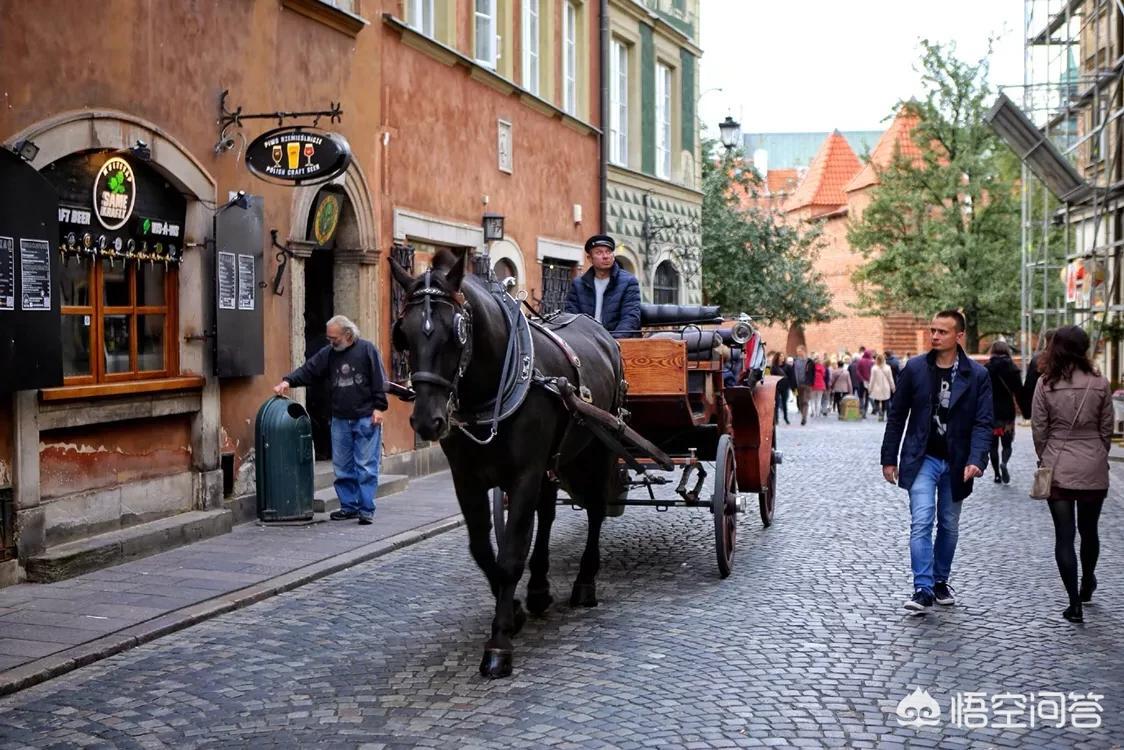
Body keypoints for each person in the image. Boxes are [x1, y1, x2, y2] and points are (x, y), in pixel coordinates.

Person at [881, 310, 992, 615]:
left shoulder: (977, 375)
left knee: (949, 525)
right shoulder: (915, 368)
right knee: (921, 521)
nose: (935, 336)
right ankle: (923, 588)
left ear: (959, 337)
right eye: (932, 330)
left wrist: (976, 459)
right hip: (922, 458)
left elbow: (983, 423)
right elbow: (897, 416)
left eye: (942, 332)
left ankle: (940, 580)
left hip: (957, 462)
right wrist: (889, 458)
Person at [1031, 325, 1113, 624]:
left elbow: (1040, 428)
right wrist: (1096, 452)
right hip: (1092, 463)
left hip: (1059, 463)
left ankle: (1073, 603)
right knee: (1089, 530)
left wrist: (1046, 455)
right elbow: (1107, 429)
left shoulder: (1046, 384)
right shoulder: (1100, 382)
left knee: (1064, 536)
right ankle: (1088, 579)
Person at [274, 315, 388, 525]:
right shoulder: (329, 354)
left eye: (334, 338)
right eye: (329, 338)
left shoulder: (367, 350)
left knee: (365, 466)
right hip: (340, 419)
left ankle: (366, 509)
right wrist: (287, 381)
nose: (331, 341)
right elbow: (309, 370)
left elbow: (379, 380)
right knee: (343, 467)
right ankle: (348, 507)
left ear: (348, 334)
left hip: (365, 417)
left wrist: (379, 408)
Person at [563, 234, 641, 338]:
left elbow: (630, 318)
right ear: (590, 258)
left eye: (608, 252)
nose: (605, 256)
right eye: (599, 252)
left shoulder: (628, 281)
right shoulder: (578, 284)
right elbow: (571, 317)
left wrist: (613, 342)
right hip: (587, 342)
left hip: (619, 342)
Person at [985, 340, 1024, 484]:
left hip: (991, 411)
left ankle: (996, 474)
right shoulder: (1013, 368)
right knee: (1007, 444)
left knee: (992, 445)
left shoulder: (987, 368)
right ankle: (1004, 463)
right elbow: (1019, 391)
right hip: (1007, 411)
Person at [1020, 328, 1055, 418]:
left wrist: (1027, 412)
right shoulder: (1066, 359)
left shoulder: (1038, 359)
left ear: (1046, 340)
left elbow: (1029, 386)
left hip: (1042, 403)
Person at [868, 353, 895, 421]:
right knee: (885, 402)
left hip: (877, 387)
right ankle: (885, 414)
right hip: (886, 387)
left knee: (876, 401)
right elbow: (890, 379)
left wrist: (870, 388)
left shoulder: (874, 368)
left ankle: (880, 414)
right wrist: (893, 388)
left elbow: (872, 380)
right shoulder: (888, 367)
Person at [793, 346, 815, 425]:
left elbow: (813, 373)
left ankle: (804, 418)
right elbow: (794, 373)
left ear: (804, 351)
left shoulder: (809, 362)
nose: (798, 353)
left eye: (800, 351)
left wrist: (811, 383)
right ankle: (803, 415)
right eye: (797, 351)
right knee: (800, 402)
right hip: (798, 385)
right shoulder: (795, 361)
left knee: (805, 401)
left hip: (807, 384)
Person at [769, 353, 791, 425]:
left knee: (784, 403)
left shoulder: (787, 366)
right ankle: (776, 419)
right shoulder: (774, 367)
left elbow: (790, 376)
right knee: (777, 403)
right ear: (777, 357)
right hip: (777, 386)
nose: (782, 357)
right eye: (781, 356)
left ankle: (786, 418)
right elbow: (772, 377)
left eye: (783, 356)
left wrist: (791, 385)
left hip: (785, 386)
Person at [855, 347, 874, 418]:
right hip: (869, 382)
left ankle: (861, 410)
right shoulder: (872, 362)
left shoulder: (860, 361)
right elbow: (873, 372)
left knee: (861, 397)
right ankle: (865, 412)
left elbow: (857, 371)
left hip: (861, 382)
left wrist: (861, 379)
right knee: (867, 397)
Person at [811, 354, 828, 419]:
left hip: (813, 385)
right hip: (820, 385)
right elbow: (824, 375)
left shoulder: (811, 367)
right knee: (819, 400)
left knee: (812, 400)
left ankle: (813, 412)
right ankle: (817, 413)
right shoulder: (822, 367)